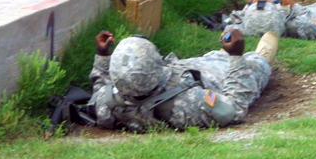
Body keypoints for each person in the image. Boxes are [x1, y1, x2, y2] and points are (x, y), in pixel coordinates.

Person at [86, 28, 278, 131]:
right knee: (256, 65)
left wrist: (103, 58)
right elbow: (234, 108)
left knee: (211, 57)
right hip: (221, 78)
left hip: (189, 68)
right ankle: (255, 56)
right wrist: (237, 57)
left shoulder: (110, 105)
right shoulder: (188, 104)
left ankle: (222, 53)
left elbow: (99, 92)